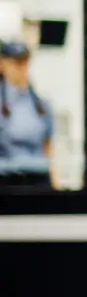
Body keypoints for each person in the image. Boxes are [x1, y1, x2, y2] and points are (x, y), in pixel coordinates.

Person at [0, 40, 56, 188]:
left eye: (24, 62)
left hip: (38, 179)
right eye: (16, 63)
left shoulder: (41, 104)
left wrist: (56, 185)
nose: (21, 68)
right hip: (7, 180)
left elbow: (49, 147)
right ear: (3, 64)